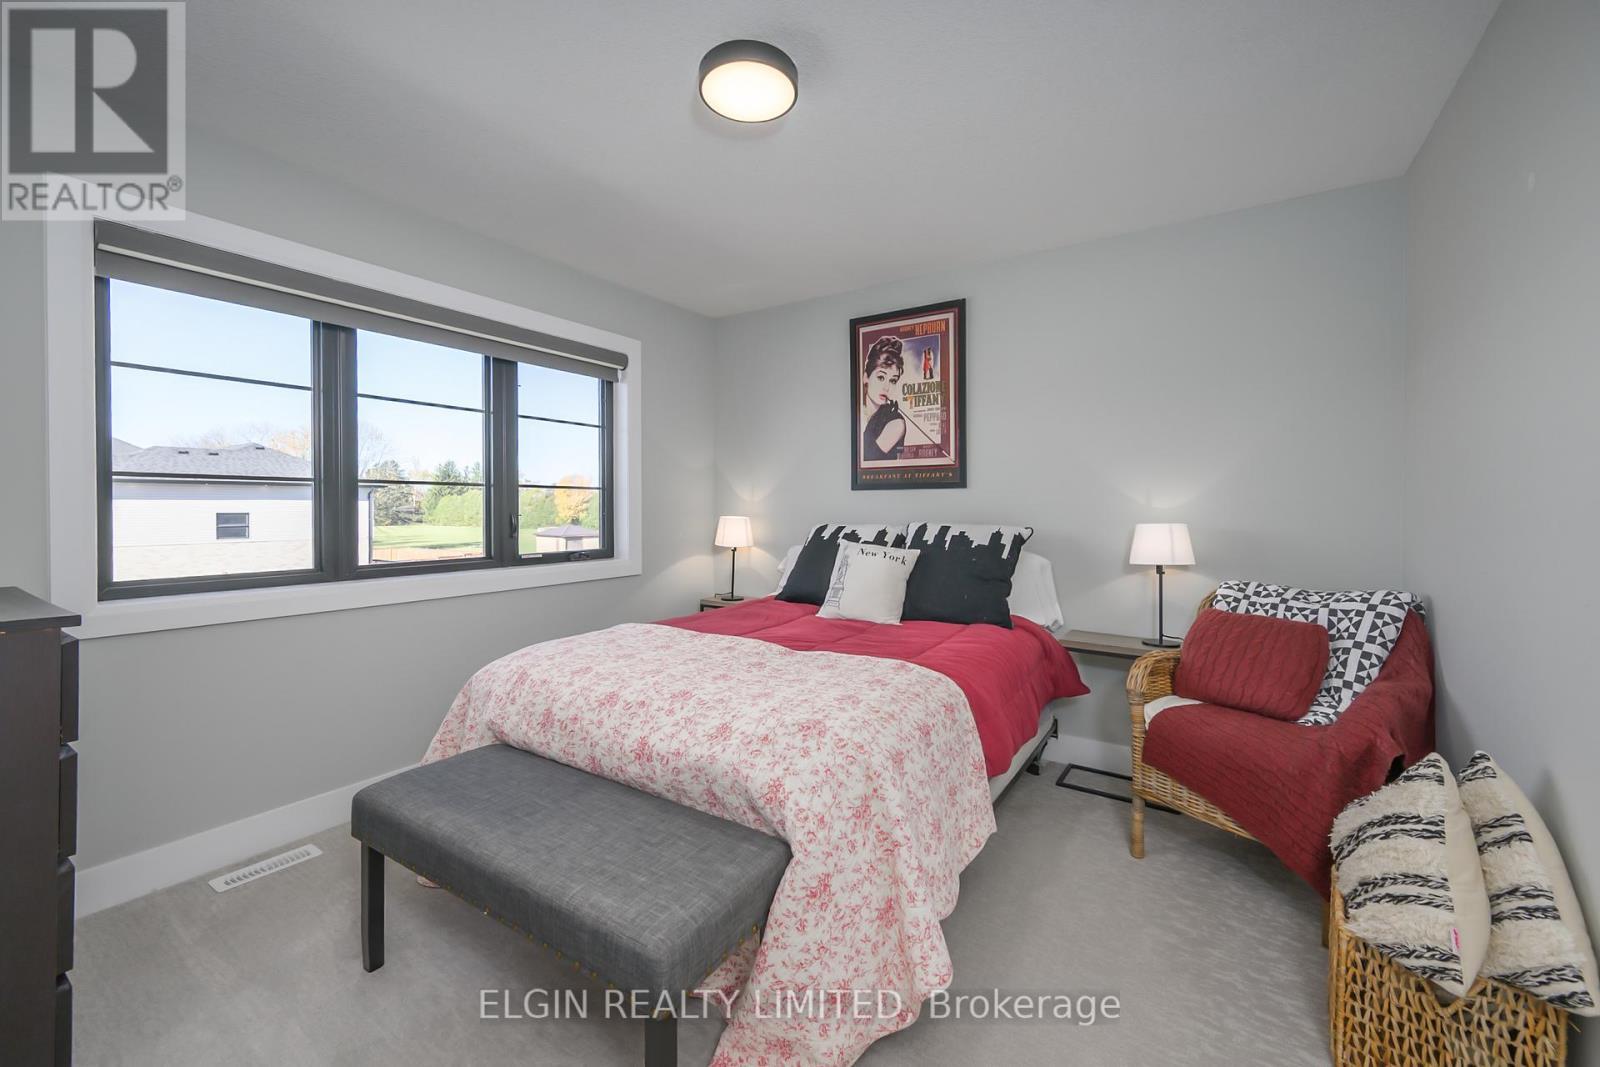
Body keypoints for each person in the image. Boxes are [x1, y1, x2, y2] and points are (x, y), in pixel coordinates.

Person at [860, 336, 906, 461]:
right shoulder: (858, 415)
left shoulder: (896, 423)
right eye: (881, 378)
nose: (887, 387)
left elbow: (867, 460)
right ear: (866, 377)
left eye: (892, 380)